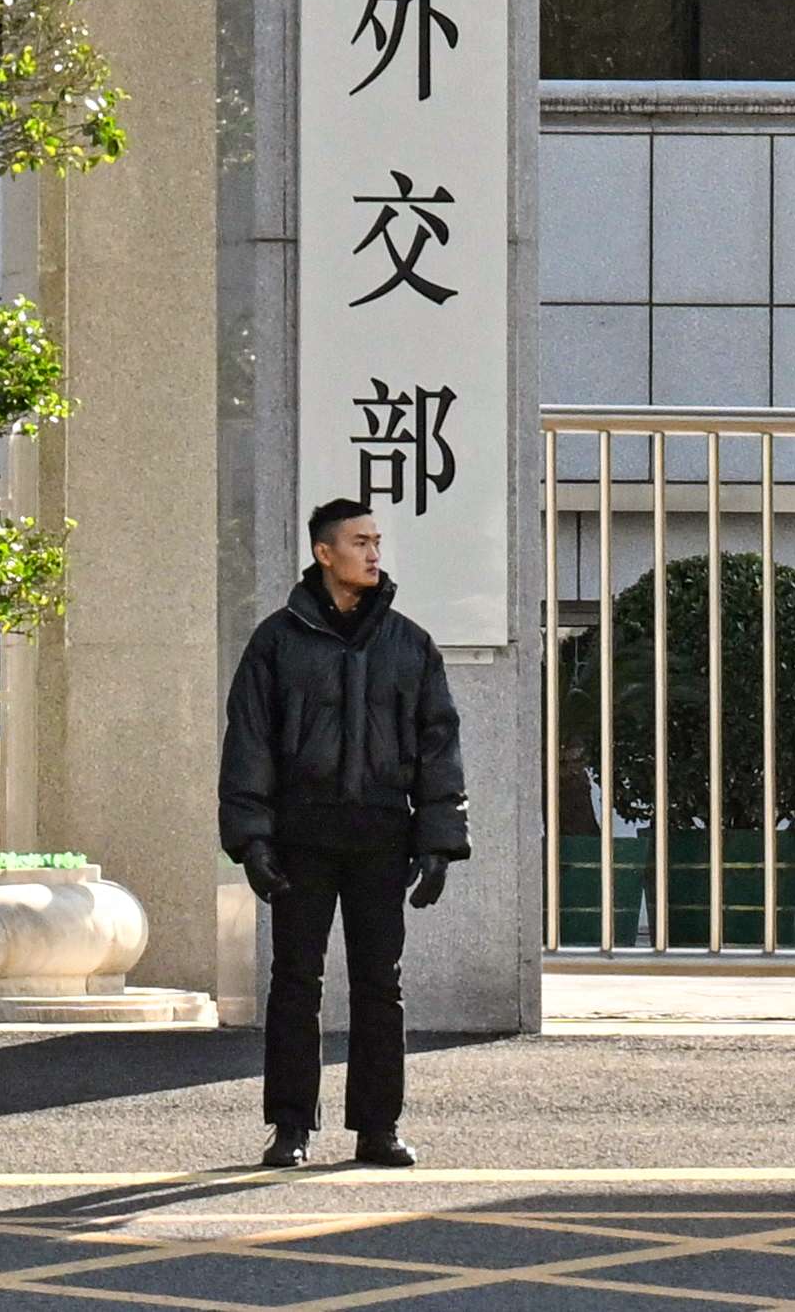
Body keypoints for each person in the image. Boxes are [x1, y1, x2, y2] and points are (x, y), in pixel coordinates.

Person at [217, 493, 466, 1172]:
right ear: (324, 553)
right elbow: (249, 742)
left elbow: (438, 741)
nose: (373, 550)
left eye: (376, 539)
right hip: (303, 836)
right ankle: (291, 1126)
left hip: (382, 835)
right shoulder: (276, 639)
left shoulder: (409, 643)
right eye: (359, 540)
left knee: (379, 984)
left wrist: (439, 839)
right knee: (295, 981)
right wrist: (253, 839)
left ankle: (378, 1128)